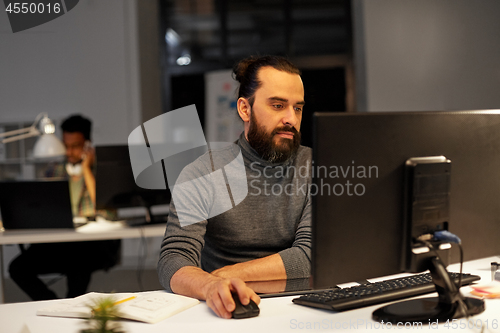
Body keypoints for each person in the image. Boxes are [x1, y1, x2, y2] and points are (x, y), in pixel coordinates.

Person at [158, 55, 312, 319]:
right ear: (245, 109)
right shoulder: (201, 173)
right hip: (227, 312)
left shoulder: (318, 168)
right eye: (277, 105)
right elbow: (173, 260)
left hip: (302, 310)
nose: (291, 118)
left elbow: (311, 257)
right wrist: (210, 287)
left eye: (297, 108)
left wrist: (224, 275)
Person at [8, 115, 120, 301]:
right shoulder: (54, 171)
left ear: (87, 144)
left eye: (75, 146)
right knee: (17, 268)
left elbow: (103, 207)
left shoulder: (101, 170)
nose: (69, 151)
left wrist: (86, 170)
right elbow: (43, 209)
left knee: (77, 262)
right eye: (65, 145)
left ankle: (72, 306)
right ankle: (52, 303)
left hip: (91, 245)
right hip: (59, 242)